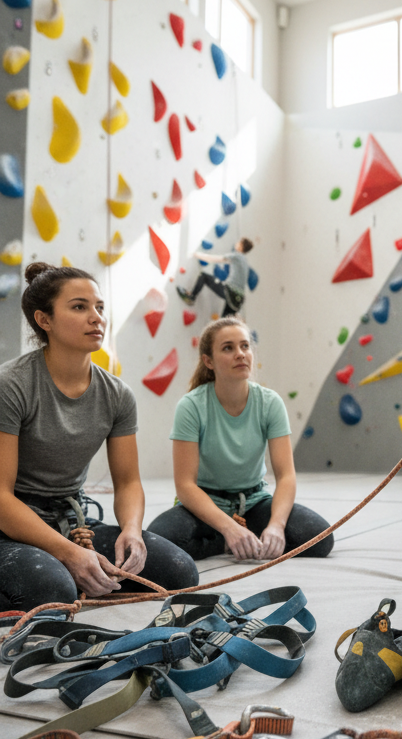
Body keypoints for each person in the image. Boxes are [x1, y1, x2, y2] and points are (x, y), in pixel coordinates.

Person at [0, 263, 197, 612]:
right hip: (11, 524)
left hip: (71, 520)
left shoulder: (117, 395)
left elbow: (128, 482)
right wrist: (69, 553)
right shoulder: (12, 385)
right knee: (54, 591)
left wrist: (131, 531)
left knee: (180, 572)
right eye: (79, 307)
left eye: (100, 307)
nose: (97, 318)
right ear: (44, 320)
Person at [148, 316, 333, 563]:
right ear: (208, 361)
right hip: (207, 507)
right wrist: (229, 529)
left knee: (320, 538)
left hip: (254, 503)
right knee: (157, 541)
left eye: (245, 346)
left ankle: (249, 536)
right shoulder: (191, 406)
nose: (240, 354)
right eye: (228, 348)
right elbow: (185, 486)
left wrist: (276, 526)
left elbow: (286, 476)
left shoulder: (270, 403)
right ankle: (226, 541)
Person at [177, 237, 253, 316]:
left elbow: (212, 259)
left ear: (241, 246)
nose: (236, 243)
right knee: (224, 323)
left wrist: (196, 254)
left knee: (203, 276)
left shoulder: (236, 256)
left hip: (230, 291)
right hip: (239, 300)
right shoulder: (245, 262)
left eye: (239, 242)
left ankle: (191, 297)